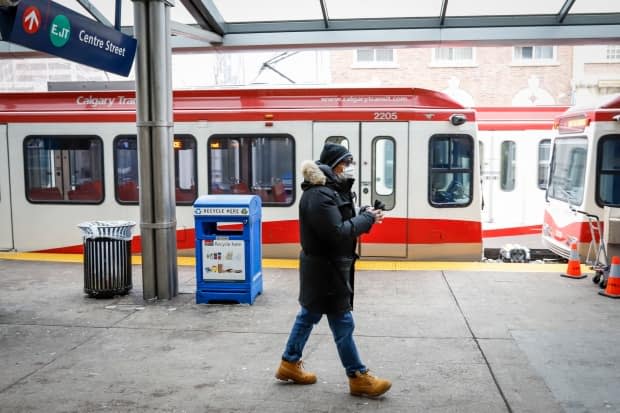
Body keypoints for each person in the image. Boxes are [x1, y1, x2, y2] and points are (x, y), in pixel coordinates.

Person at [275, 143, 392, 398]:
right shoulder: (319, 195)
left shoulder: (329, 191)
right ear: (332, 165)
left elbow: (339, 221)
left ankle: (289, 363)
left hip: (325, 268)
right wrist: (367, 220)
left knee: (308, 315)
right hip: (327, 271)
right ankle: (358, 376)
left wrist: (363, 214)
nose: (346, 170)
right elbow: (336, 233)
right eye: (343, 165)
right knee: (342, 321)